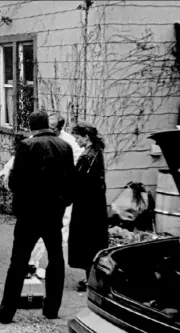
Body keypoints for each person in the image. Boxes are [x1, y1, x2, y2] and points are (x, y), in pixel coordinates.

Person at [0, 111, 75, 324]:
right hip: (53, 211)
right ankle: (51, 308)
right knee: (56, 259)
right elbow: (71, 183)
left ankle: (7, 312)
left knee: (18, 262)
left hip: (30, 212)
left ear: (31, 127)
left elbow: (16, 181)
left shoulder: (27, 146)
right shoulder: (64, 146)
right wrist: (62, 204)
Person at [26, 114, 84, 275]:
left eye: (52, 127)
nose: (48, 129)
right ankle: (32, 263)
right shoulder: (36, 138)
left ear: (59, 128)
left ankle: (54, 265)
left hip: (61, 194)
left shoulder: (70, 143)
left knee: (61, 230)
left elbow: (74, 170)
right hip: (41, 193)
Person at [68, 122, 108, 292]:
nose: (76, 140)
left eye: (77, 137)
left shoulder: (87, 157)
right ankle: (91, 277)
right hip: (95, 204)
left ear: (86, 137)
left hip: (86, 206)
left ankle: (90, 279)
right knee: (94, 240)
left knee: (86, 240)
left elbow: (78, 181)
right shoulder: (96, 152)